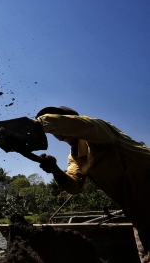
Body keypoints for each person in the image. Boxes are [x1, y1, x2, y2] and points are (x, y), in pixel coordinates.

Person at [35, 106, 150, 262]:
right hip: (140, 214)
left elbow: (83, 126)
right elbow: (74, 185)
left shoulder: (98, 129)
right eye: (57, 135)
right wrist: (55, 170)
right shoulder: (76, 156)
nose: (61, 136)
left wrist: (37, 123)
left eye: (61, 129)